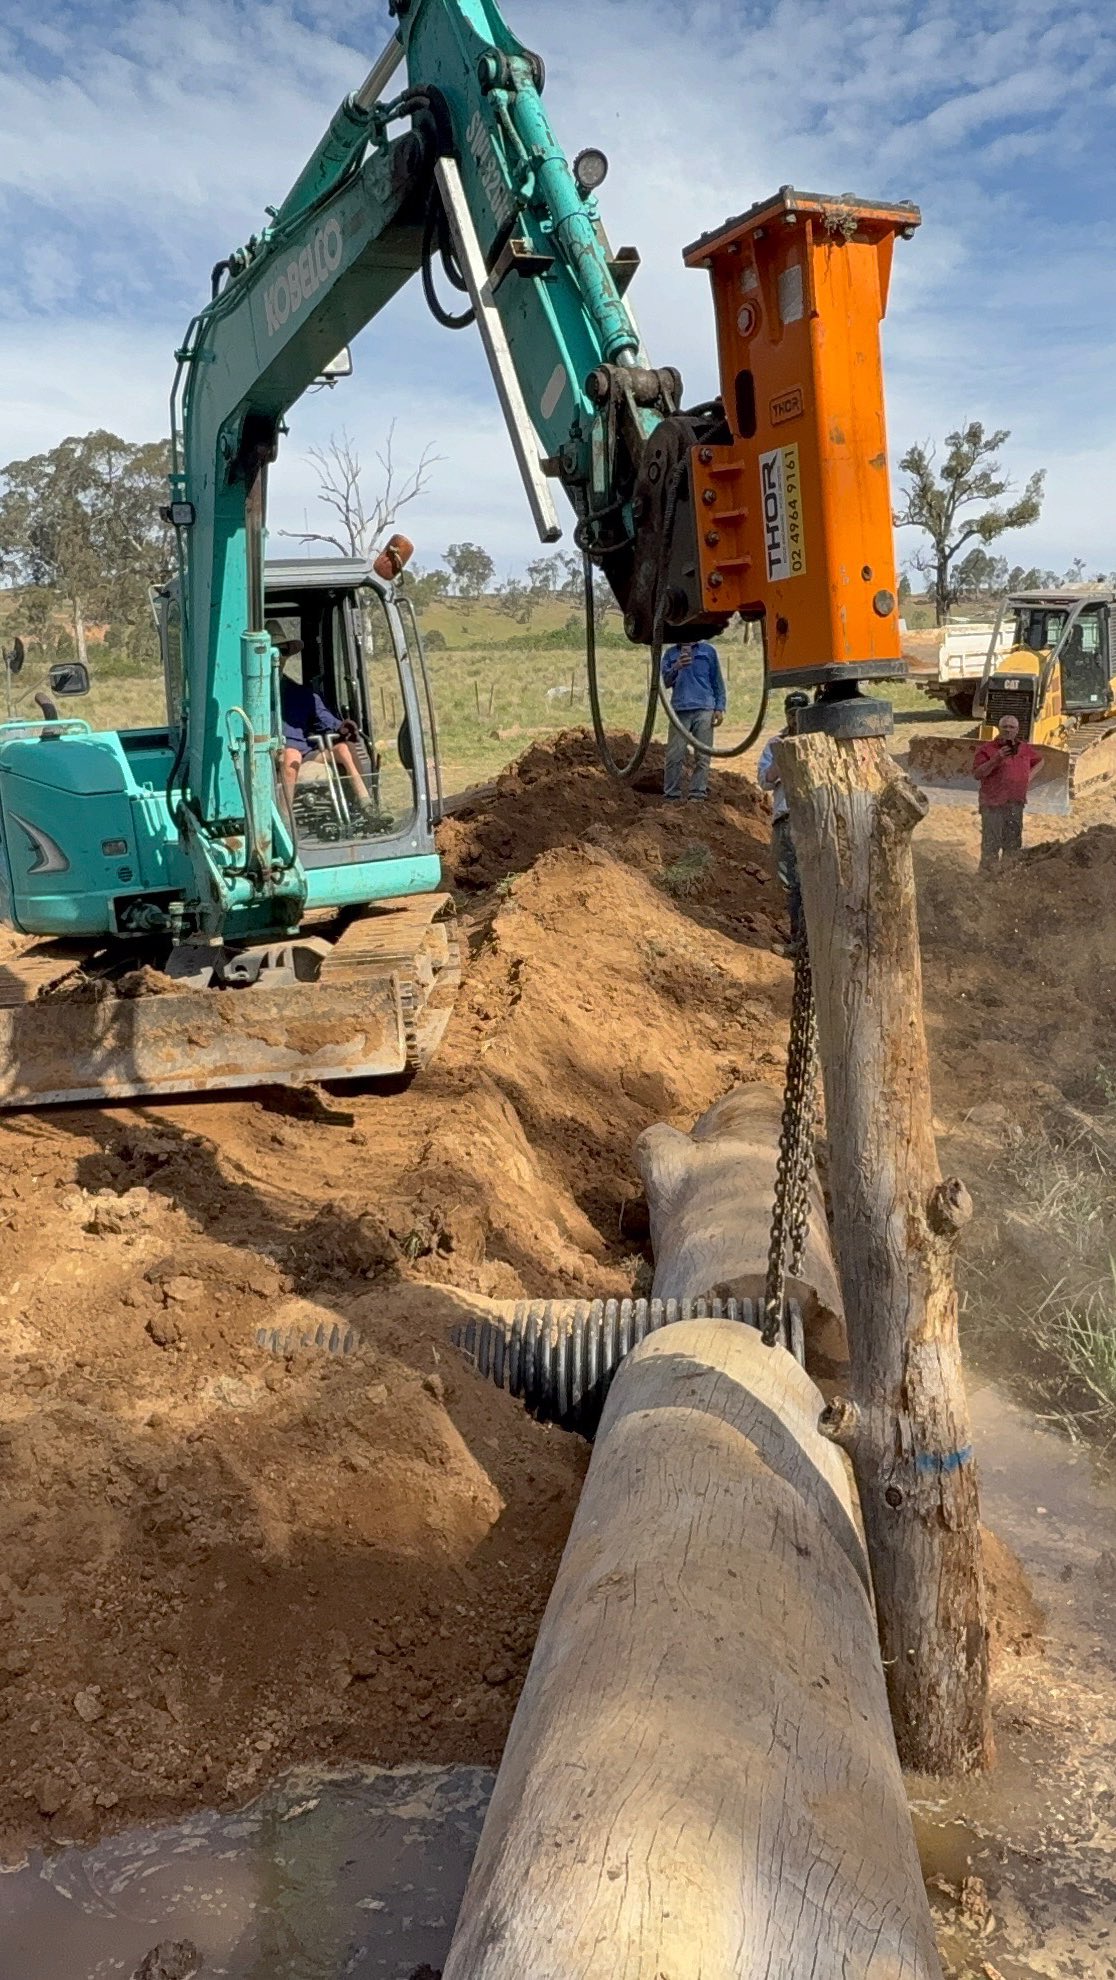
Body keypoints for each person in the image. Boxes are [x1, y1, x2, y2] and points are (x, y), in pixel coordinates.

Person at [269, 628, 372, 810]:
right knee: (291, 754)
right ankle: (285, 824)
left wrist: (343, 728)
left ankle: (366, 805)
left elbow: (327, 722)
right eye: (273, 650)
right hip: (268, 756)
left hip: (306, 754)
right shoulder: (250, 696)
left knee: (344, 748)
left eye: (283, 651)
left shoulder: (301, 694)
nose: (278, 657)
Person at [757, 691, 810, 948]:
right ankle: (798, 938)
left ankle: (803, 942)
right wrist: (782, 760)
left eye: (799, 713)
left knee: (807, 882)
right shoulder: (775, 744)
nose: (794, 718)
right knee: (791, 882)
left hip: (809, 819)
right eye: (791, 713)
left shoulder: (815, 741)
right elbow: (763, 780)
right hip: (785, 819)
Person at [972, 713, 1043, 872]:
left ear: (1017, 730)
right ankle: (986, 877)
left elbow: (1040, 760)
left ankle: (1007, 877)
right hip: (992, 804)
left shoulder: (1024, 748)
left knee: (1012, 844)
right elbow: (977, 774)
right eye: (1005, 727)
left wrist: (1027, 777)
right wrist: (996, 759)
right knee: (991, 844)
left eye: (1012, 727)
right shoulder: (987, 749)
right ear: (999, 728)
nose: (1008, 730)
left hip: (1015, 803)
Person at [661, 638, 726, 800]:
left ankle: (697, 794)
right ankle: (671, 795)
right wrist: (676, 666)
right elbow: (665, 682)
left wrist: (719, 707)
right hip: (679, 709)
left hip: (704, 708)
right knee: (674, 755)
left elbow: (717, 681)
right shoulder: (670, 654)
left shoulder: (708, 651)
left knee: (703, 756)